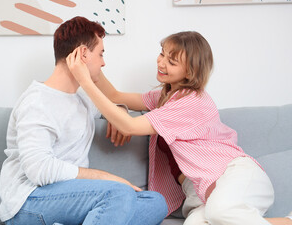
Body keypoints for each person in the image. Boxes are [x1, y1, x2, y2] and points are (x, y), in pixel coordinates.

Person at [67, 31, 292, 225]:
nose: (161, 63)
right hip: (202, 193)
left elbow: (129, 126)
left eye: (172, 62)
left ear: (190, 72)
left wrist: (84, 81)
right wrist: (89, 66)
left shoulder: (191, 102)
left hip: (235, 178)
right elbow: (115, 95)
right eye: (162, 53)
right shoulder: (166, 97)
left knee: (220, 212)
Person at [0, 16, 168, 225]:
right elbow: (39, 171)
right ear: (82, 54)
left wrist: (119, 114)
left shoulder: (82, 99)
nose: (104, 62)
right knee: (118, 194)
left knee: (156, 202)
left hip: (72, 200)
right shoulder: (37, 102)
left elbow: (112, 106)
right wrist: (104, 177)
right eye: (101, 53)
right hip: (29, 202)